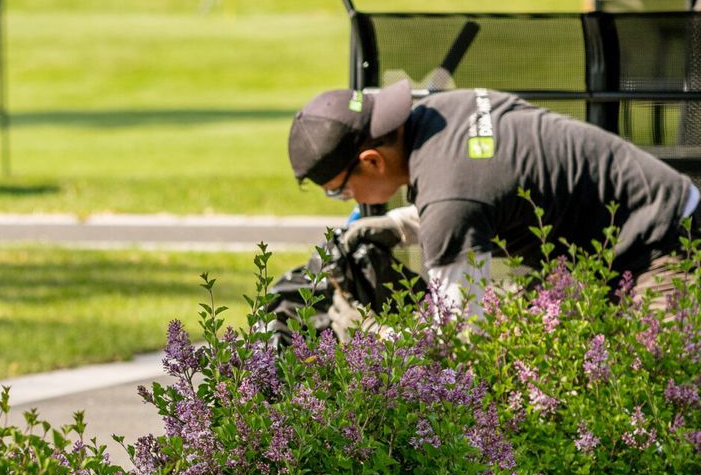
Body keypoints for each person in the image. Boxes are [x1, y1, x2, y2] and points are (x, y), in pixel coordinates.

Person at [287, 80, 700, 312]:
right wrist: (398, 226)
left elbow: (459, 330)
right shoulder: (445, 111)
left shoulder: (451, 200)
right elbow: (484, 192)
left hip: (665, 245)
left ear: (373, 161)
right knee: (523, 332)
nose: (347, 198)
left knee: (650, 397)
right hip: (629, 231)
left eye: (338, 192)